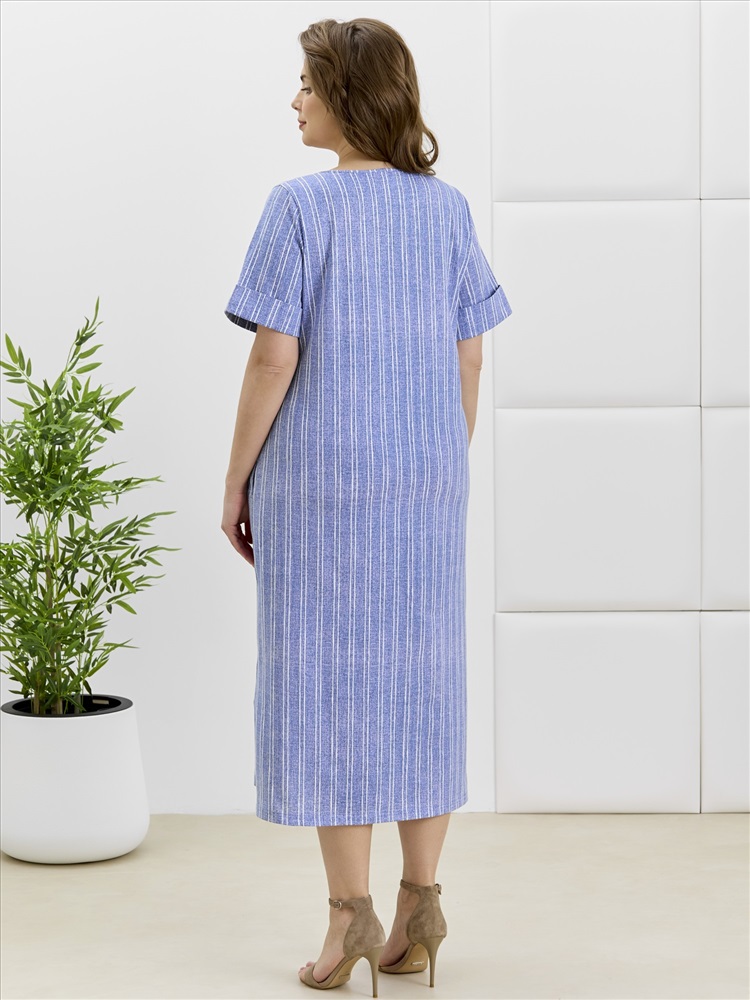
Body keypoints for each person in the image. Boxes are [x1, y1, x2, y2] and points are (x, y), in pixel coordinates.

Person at [221, 16, 512, 995]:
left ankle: (350, 917)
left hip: (319, 486)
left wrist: (235, 479)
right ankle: (422, 903)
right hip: (426, 483)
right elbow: (470, 354)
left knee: (327, 682)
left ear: (348, 94)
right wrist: (439, 459)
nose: (295, 99)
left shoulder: (299, 207)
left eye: (308, 83)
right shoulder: (447, 210)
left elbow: (274, 358)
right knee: (421, 677)